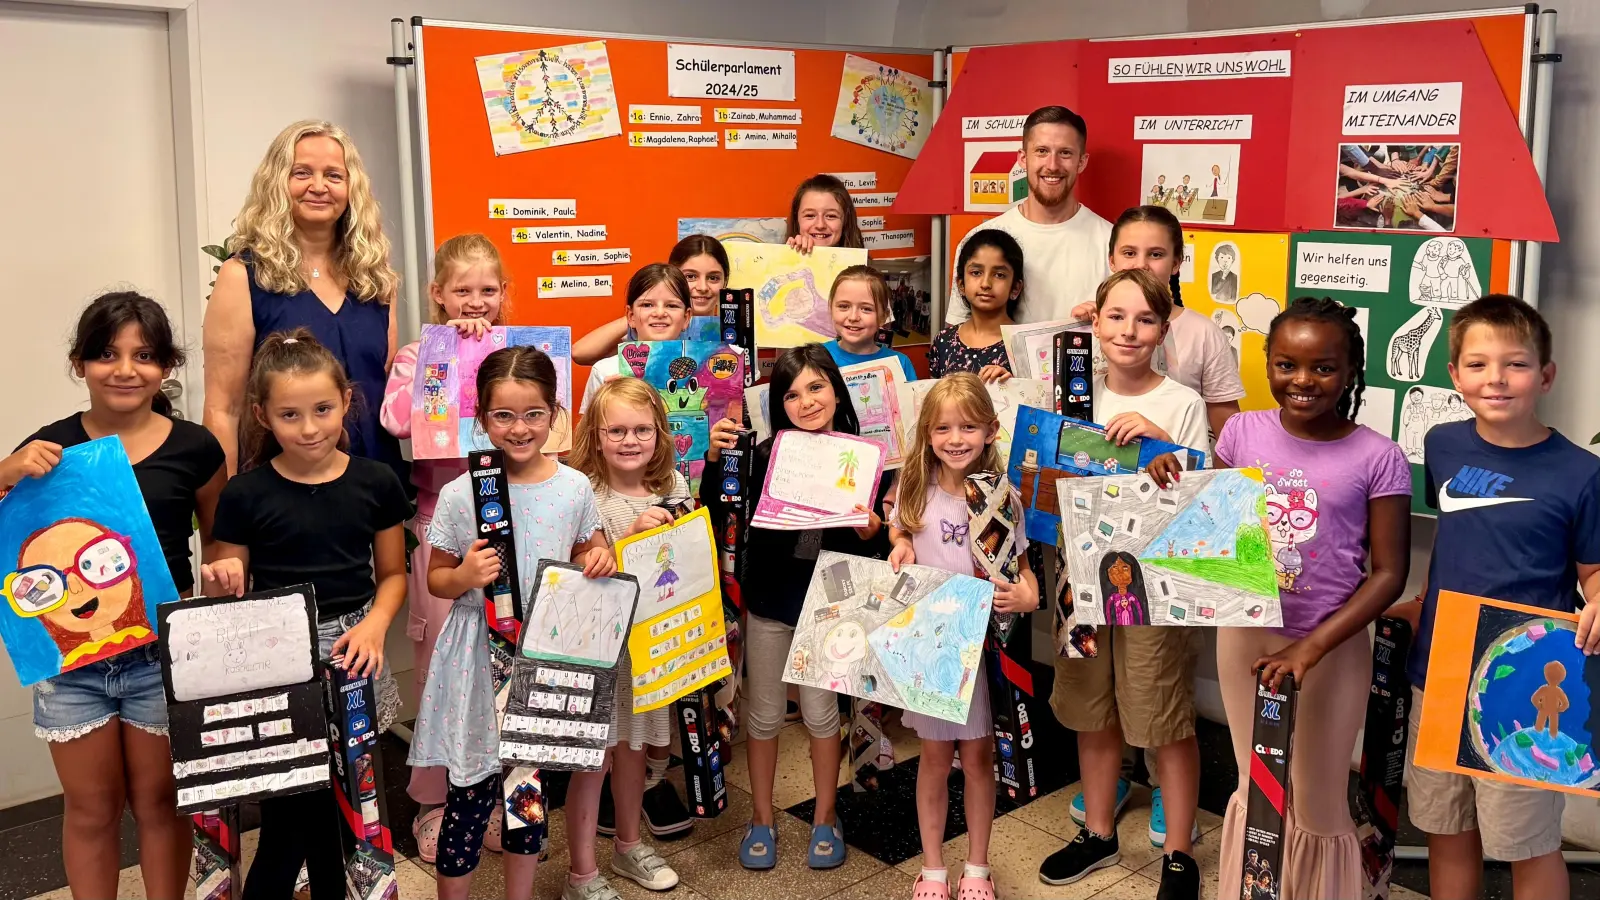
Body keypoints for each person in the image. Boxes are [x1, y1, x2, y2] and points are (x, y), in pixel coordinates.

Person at [0, 292, 225, 900]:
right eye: (106, 353)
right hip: (72, 661)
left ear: (167, 367)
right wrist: (6, 471)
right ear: (80, 363)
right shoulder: (49, 447)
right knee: (91, 808)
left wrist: (224, 572)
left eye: (144, 354)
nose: (125, 369)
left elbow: (221, 537)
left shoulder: (196, 447)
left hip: (162, 650)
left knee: (160, 803)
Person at [1390, 294, 1600, 900]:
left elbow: (1593, 572)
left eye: (1516, 364)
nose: (1496, 379)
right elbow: (1459, 544)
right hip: (1441, 668)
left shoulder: (1580, 473)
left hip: (1522, 678)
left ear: (1546, 375)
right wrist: (1421, 602)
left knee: (1528, 844)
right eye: (1478, 365)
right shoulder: (1443, 445)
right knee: (1445, 830)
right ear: (1454, 375)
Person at [1212, 298, 1412, 899]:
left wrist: (1311, 648)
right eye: (1285, 364)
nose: (1302, 381)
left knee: (1321, 803)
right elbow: (1214, 530)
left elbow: (1389, 574)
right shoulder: (1242, 432)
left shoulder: (1379, 456)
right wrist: (1171, 473)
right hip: (1246, 635)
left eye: (1323, 367)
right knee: (1258, 789)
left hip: (1332, 647)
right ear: (1268, 364)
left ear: (1351, 371)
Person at [201, 330, 410, 899]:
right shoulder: (245, 494)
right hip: (278, 658)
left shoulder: (375, 481)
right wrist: (222, 579)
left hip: (354, 651)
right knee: (290, 804)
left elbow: (393, 574)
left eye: (322, 409)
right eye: (290, 414)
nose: (310, 427)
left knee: (349, 805)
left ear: (347, 398)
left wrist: (374, 625)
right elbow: (230, 586)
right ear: (263, 415)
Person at [409, 345, 614, 900]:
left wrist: (598, 556)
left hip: (544, 655)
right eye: (503, 415)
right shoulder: (461, 493)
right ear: (481, 418)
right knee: (471, 793)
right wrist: (467, 574)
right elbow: (438, 578)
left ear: (554, 414)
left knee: (527, 792)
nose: (519, 428)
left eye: (533, 414)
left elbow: (591, 546)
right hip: (478, 656)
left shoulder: (573, 487)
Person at [1039, 268, 1204, 899]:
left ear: (1164, 329)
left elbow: (1202, 503)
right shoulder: (1071, 397)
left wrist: (1164, 444)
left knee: (1161, 713)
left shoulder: (1181, 402)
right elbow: (1041, 481)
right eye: (1115, 317)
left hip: (1153, 587)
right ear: (1094, 322)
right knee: (1089, 707)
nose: (1128, 331)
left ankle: (1181, 851)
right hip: (1078, 583)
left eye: (1144, 319)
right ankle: (1099, 831)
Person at [701, 344, 890, 870]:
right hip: (769, 601)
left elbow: (882, 538)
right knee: (762, 717)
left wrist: (872, 529)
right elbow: (719, 510)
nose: (806, 402)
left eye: (816, 388)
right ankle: (761, 819)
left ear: (835, 389)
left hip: (832, 603)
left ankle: (826, 817)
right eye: (791, 393)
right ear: (778, 404)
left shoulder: (866, 456)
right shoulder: (762, 455)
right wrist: (718, 461)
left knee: (820, 714)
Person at [888, 374, 1040, 900]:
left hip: (983, 650)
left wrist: (1026, 597)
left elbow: (1026, 574)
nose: (956, 438)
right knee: (932, 758)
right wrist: (901, 543)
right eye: (944, 428)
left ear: (992, 431)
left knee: (978, 759)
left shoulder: (1005, 499)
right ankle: (932, 866)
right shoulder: (914, 489)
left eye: (969, 427)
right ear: (927, 434)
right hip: (931, 647)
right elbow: (900, 528)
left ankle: (977, 865)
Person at [378, 233, 505, 862]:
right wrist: (446, 353)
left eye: (488, 290)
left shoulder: (519, 350)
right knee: (437, 667)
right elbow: (396, 421)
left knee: (502, 661)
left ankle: (492, 794)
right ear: (438, 294)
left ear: (504, 295)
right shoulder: (417, 353)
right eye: (462, 291)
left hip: (509, 523)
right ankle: (433, 802)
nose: (475, 303)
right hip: (438, 529)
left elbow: (548, 421)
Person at [202, 120, 404, 486]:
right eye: (302, 173)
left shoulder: (375, 278)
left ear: (351, 188)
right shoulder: (243, 276)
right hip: (279, 493)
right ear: (278, 183)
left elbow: (388, 390)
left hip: (374, 490)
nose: (319, 186)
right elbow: (223, 409)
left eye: (334, 175)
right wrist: (224, 510)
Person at [563, 377, 690, 898]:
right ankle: (581, 873)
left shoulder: (675, 487)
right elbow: (574, 569)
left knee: (634, 748)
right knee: (593, 760)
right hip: (598, 652)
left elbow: (684, 565)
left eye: (642, 429)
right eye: (616, 429)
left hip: (648, 650)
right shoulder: (581, 493)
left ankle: (628, 845)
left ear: (660, 434)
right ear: (594, 434)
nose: (630, 440)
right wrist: (629, 538)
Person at [1073, 206, 1244, 438]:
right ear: (1111, 260)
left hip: (1176, 464)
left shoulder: (1204, 333)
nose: (1141, 265)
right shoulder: (1091, 324)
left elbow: (1228, 436)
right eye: (1129, 253)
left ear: (1175, 263)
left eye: (1155, 254)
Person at [946, 106, 1112, 325]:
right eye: (1042, 151)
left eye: (1065, 153)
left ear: (1081, 162)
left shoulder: (1112, 243)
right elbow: (959, 335)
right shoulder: (980, 240)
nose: (1052, 165)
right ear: (1023, 158)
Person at [573, 236, 730, 366]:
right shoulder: (652, 329)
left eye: (713, 278)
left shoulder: (733, 331)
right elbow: (580, 353)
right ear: (672, 276)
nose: (702, 287)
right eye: (690, 276)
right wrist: (641, 312)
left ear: (725, 281)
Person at [579, 265, 693, 414]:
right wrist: (606, 402)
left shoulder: (705, 366)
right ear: (630, 316)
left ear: (686, 317)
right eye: (647, 305)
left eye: (671, 305)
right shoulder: (605, 371)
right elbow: (589, 435)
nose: (659, 313)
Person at [928, 229, 1024, 382]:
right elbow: (935, 401)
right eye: (976, 272)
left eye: (999, 275)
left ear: (1015, 288)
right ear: (961, 284)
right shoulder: (943, 341)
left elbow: (1038, 400)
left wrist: (1012, 386)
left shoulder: (1025, 345)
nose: (986, 284)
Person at [822, 265, 917, 375]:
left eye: (866, 309)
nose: (853, 317)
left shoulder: (900, 364)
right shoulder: (815, 358)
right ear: (830, 307)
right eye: (843, 306)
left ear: (883, 317)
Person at [785, 174, 865, 254]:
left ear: (845, 220)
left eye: (831, 216)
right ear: (797, 219)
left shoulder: (867, 264)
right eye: (810, 215)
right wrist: (787, 257)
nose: (820, 225)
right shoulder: (778, 262)